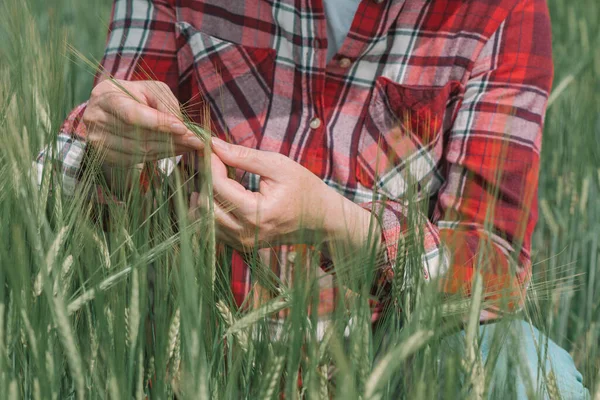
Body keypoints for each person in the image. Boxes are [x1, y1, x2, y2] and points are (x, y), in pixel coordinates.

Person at [36, 0, 589, 397]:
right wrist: (110, 144)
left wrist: (335, 225)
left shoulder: (502, 10)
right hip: (195, 360)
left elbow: (492, 269)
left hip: (391, 367)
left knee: (529, 372)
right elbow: (57, 199)